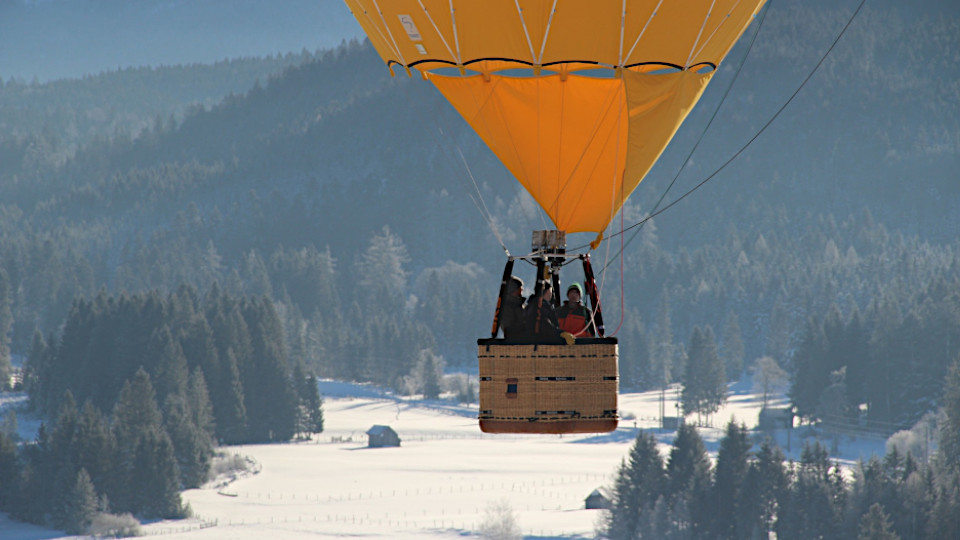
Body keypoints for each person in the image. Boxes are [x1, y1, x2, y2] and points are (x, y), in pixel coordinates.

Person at [500, 275, 527, 340]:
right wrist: (526, 325)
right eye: (519, 289)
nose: (521, 292)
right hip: (515, 340)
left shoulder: (520, 305)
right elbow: (508, 329)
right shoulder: (507, 307)